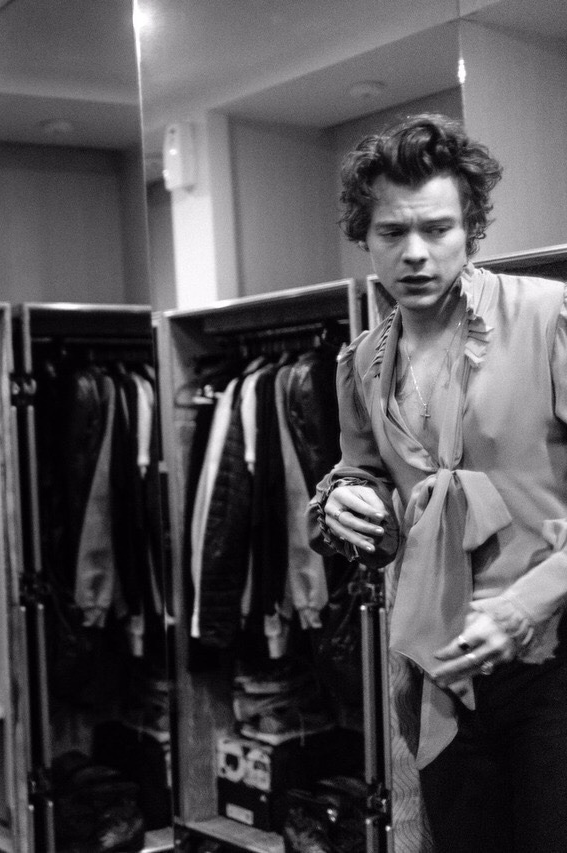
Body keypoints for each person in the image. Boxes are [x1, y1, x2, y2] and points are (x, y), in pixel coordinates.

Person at [311, 113, 567, 850]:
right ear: (365, 237)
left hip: (555, 657)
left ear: (471, 230)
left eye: (438, 228)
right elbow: (361, 471)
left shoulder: (546, 318)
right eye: (393, 232)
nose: (416, 253)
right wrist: (344, 500)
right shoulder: (363, 363)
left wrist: (525, 606)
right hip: (443, 668)